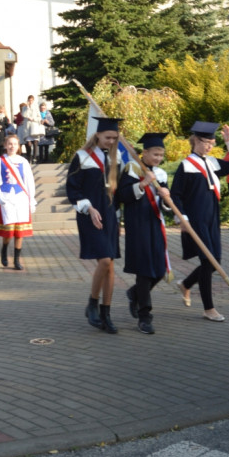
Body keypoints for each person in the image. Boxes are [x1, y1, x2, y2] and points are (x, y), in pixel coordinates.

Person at [170, 121, 229, 322]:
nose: (210, 146)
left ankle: (186, 284)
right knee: (207, 261)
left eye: (212, 142)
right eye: (206, 142)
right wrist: (183, 219)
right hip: (195, 220)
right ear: (195, 141)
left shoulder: (212, 162)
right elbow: (175, 195)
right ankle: (208, 308)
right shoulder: (186, 165)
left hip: (212, 218)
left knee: (215, 261)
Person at [67, 117, 122, 334]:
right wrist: (88, 208)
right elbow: (73, 189)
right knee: (105, 259)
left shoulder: (117, 160)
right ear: (97, 134)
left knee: (110, 265)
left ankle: (106, 314)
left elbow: (119, 193)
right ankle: (92, 302)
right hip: (90, 214)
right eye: (108, 137)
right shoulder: (81, 157)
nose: (111, 141)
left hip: (110, 216)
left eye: (114, 138)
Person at [116, 133, 172, 334]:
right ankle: (144, 315)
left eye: (161, 155)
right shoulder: (132, 169)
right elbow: (122, 195)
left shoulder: (161, 174)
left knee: (159, 270)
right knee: (144, 271)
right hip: (138, 225)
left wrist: (166, 197)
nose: (158, 158)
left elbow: (167, 204)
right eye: (155, 154)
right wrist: (142, 183)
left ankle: (134, 293)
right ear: (145, 152)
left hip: (156, 223)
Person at [0, 133, 37, 270]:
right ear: (5, 145)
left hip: (21, 198)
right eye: (10, 144)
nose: (12, 146)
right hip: (7, 198)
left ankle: (17, 260)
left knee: (20, 231)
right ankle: (4, 248)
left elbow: (29, 182)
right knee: (9, 230)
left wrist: (31, 199)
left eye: (15, 144)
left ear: (18, 146)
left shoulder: (23, 161)